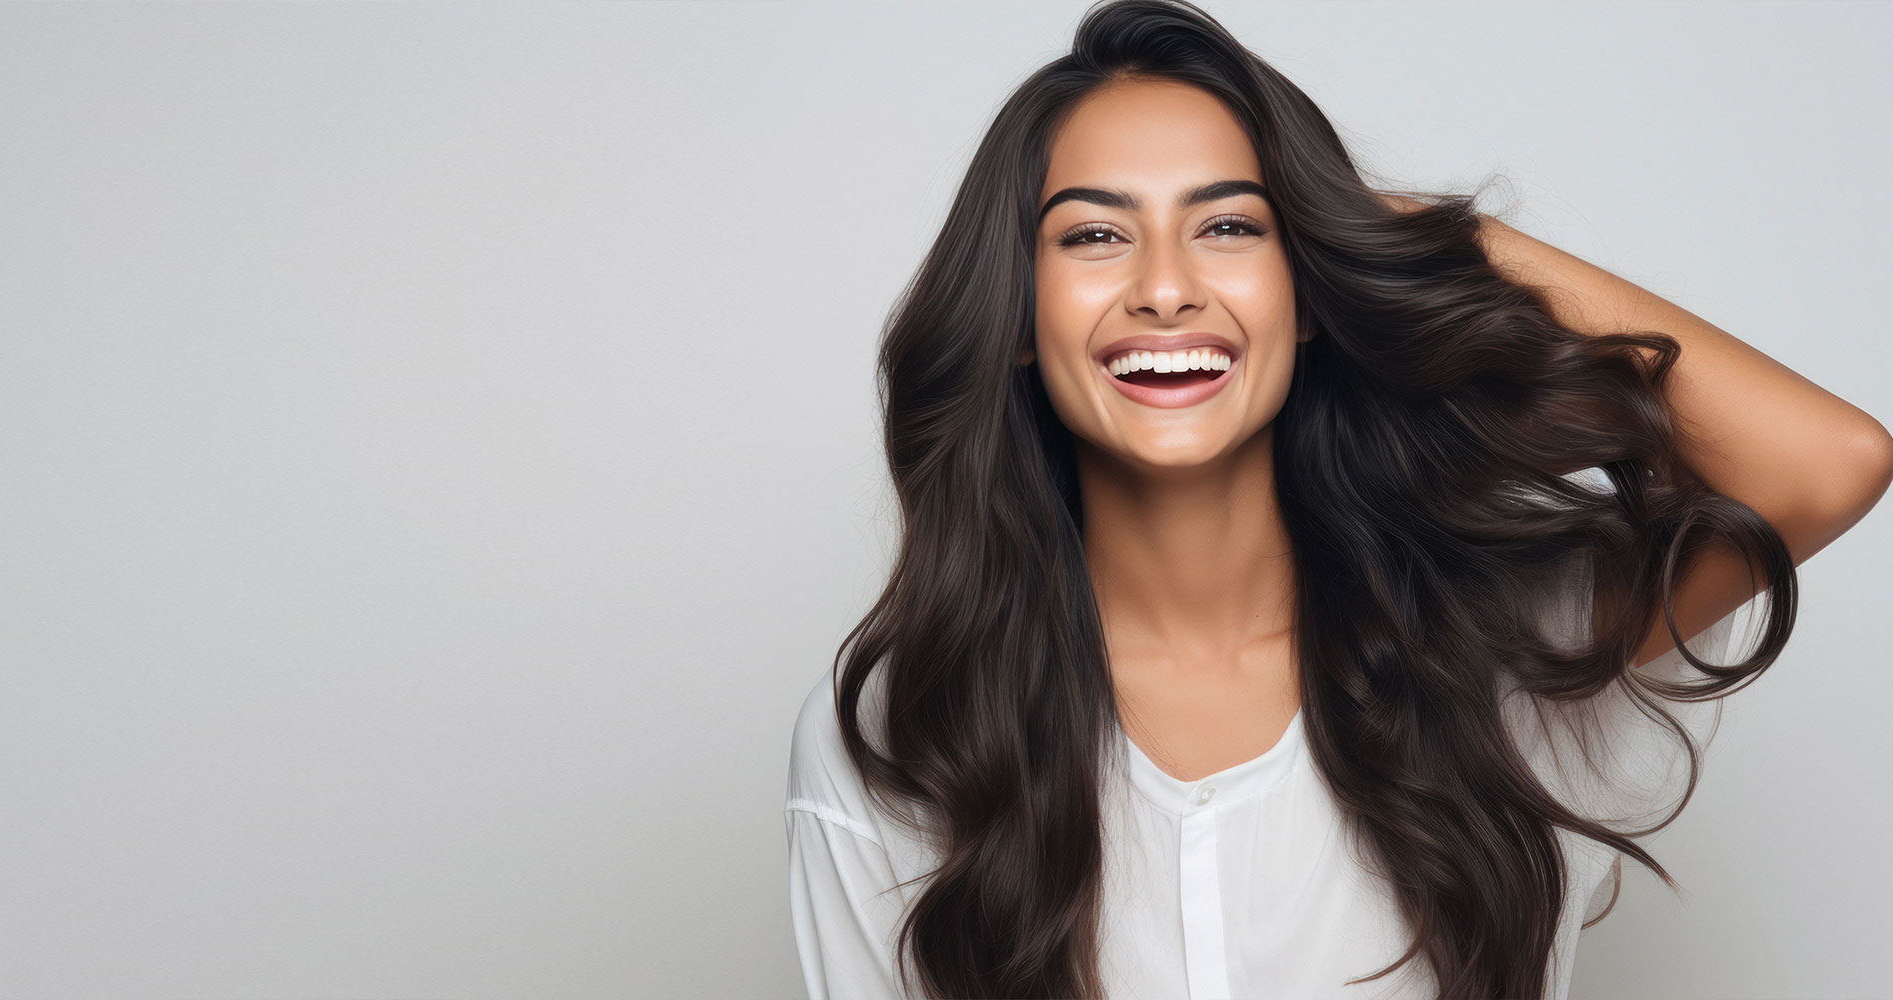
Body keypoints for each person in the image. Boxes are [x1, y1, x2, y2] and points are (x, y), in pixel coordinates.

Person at [783, 2, 1891, 998]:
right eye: (1092, 234)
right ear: (1016, 315)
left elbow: (1825, 461)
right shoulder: (900, 724)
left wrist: (1401, 234)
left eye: (1229, 225)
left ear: (1307, 289)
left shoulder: (1504, 644)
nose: (1165, 288)